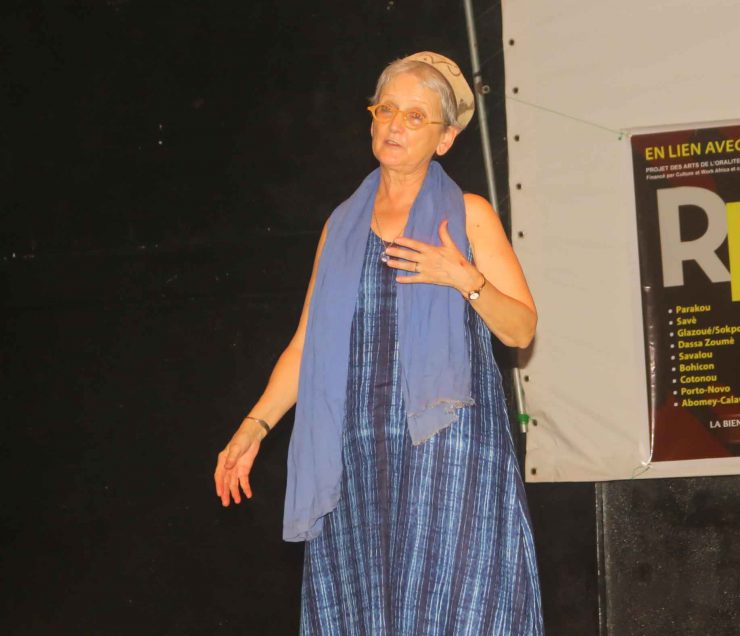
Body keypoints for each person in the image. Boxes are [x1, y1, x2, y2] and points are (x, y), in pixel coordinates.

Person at [213, 51, 543, 635]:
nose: (395, 125)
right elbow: (306, 345)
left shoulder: (468, 216)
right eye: (386, 109)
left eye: (415, 116)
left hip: (447, 451)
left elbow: (520, 330)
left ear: (445, 139)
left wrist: (465, 278)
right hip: (357, 456)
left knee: (451, 611)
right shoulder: (340, 226)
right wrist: (255, 425)